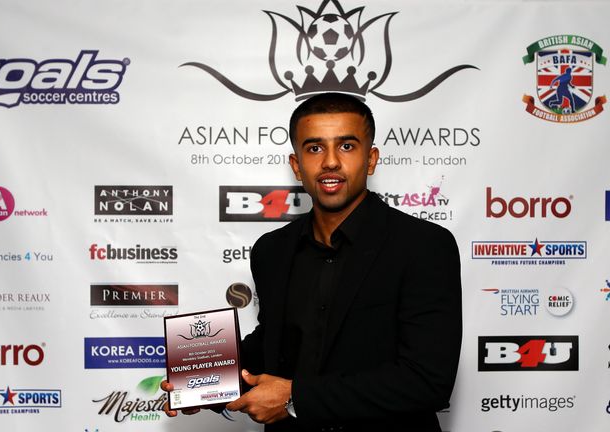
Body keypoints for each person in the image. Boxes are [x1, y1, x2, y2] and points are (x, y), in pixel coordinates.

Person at [163, 92, 462, 431]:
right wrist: (200, 381)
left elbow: (426, 381)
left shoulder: (423, 245)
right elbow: (275, 344)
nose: (331, 162)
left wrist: (295, 398)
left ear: (371, 159)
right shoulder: (271, 250)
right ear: (296, 164)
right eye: (315, 148)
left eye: (347, 146)